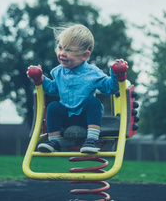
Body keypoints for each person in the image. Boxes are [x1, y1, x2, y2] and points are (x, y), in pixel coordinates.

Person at [27, 24, 127, 153]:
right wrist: (40, 79)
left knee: (93, 102)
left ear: (84, 56)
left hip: (86, 119)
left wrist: (116, 74)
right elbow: (52, 89)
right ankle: (54, 142)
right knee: (53, 107)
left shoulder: (93, 72)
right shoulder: (58, 72)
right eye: (60, 48)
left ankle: (92, 140)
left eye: (69, 50)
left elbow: (110, 88)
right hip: (65, 118)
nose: (62, 53)